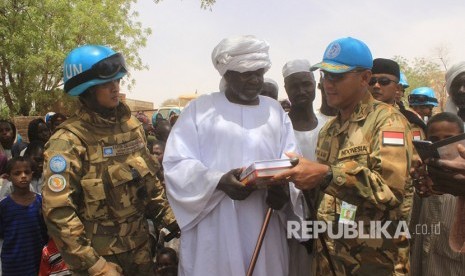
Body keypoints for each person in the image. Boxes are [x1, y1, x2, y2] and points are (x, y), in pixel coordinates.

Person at [163, 35, 302, 276]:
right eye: (246, 73)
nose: (255, 79)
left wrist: (284, 192)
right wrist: (218, 181)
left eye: (259, 72)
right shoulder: (200, 110)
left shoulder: (275, 112)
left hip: (264, 224)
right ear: (227, 74)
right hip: (215, 228)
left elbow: (292, 162)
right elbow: (176, 164)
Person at [274, 37, 414, 275]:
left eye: (337, 77)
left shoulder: (389, 122)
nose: (329, 84)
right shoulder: (329, 130)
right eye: (326, 76)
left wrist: (326, 175)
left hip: (375, 263)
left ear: (364, 78)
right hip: (330, 260)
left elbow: (390, 192)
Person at [42, 45, 178, 275]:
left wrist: (170, 218)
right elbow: (58, 212)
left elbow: (149, 183)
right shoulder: (68, 141)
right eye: (107, 84)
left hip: (142, 252)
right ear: (86, 90)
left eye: (117, 81)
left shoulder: (132, 128)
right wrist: (95, 265)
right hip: (100, 261)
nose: (115, 88)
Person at [409, 112, 465, 275]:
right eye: (434, 141)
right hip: (425, 263)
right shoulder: (425, 175)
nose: (441, 146)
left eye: (449, 139)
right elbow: (416, 226)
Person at [282, 58, 319, 276]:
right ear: (286, 89)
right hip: (288, 218)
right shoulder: (280, 128)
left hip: (326, 219)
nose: (301, 90)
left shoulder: (328, 126)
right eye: (294, 86)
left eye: (306, 84)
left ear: (315, 85)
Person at [0, 157, 48, 275]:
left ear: (32, 174)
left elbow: (45, 230)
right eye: (17, 173)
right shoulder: (4, 206)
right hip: (13, 263)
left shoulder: (40, 202)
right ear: (8, 177)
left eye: (27, 172)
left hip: (38, 260)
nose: (23, 176)